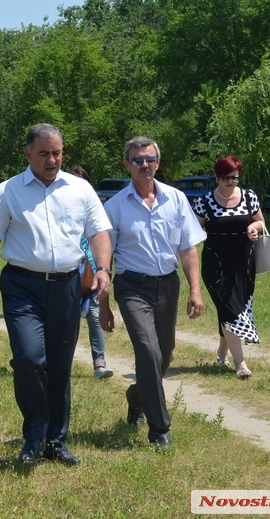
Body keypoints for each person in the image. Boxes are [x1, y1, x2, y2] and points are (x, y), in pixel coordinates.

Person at [0, 124, 112, 466]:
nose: (53, 160)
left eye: (58, 152)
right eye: (45, 153)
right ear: (28, 154)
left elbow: (100, 232)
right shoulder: (7, 192)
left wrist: (104, 269)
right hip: (22, 287)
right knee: (31, 359)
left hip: (67, 285)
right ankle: (34, 435)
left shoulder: (80, 189)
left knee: (60, 366)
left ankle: (56, 441)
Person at [99, 136, 206, 451]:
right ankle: (160, 430)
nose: (143, 165)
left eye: (149, 159)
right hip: (132, 287)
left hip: (167, 285)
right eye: (136, 160)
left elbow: (187, 249)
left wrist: (195, 291)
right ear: (127, 164)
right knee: (148, 351)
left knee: (165, 354)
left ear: (158, 162)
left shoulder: (175, 199)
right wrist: (104, 307)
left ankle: (137, 395)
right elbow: (105, 260)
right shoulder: (115, 206)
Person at [193, 156, 264, 380]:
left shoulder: (249, 196)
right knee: (230, 307)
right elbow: (193, 229)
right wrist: (200, 234)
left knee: (234, 306)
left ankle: (223, 350)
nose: (231, 182)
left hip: (243, 261)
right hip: (215, 262)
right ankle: (240, 363)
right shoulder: (204, 201)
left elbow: (260, 221)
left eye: (234, 178)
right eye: (226, 178)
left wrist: (254, 227)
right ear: (216, 177)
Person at [69, 166, 114, 379]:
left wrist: (102, 271)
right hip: (68, 273)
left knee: (95, 318)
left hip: (94, 273)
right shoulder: (61, 208)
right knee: (68, 322)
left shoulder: (96, 210)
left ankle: (99, 365)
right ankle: (61, 362)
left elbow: (103, 243)